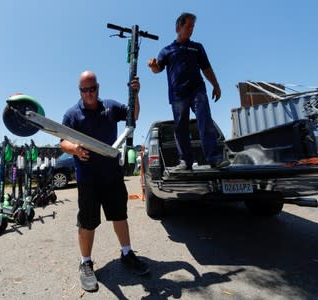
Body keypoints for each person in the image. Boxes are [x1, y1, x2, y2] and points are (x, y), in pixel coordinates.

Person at [60, 70, 150, 292]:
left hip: (112, 175)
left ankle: (127, 254)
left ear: (98, 88)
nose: (89, 93)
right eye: (84, 90)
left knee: (119, 215)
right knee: (88, 221)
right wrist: (75, 149)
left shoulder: (110, 106)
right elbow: (62, 142)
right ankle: (85, 262)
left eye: (92, 89)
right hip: (88, 179)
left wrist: (135, 94)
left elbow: (134, 116)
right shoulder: (72, 114)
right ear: (79, 91)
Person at [148, 12, 229, 170]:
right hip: (178, 95)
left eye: (193, 27)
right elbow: (158, 68)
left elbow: (206, 68)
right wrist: (153, 66)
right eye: (188, 26)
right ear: (178, 27)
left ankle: (214, 158)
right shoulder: (167, 50)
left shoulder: (197, 47)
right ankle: (185, 161)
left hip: (197, 90)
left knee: (205, 119)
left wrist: (216, 85)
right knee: (181, 128)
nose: (191, 29)